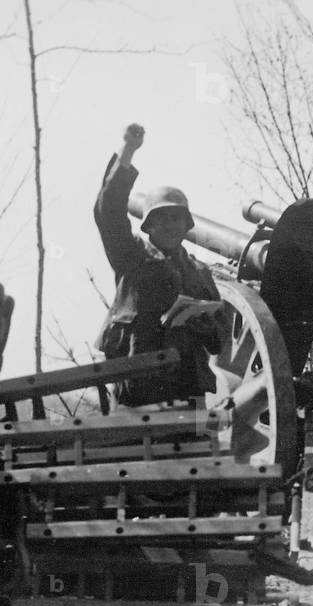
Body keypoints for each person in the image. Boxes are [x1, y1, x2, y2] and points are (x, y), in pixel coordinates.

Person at [93, 123, 223, 407]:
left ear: (186, 224)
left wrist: (205, 325)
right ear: (149, 225)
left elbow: (219, 341)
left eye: (176, 218)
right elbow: (108, 212)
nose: (170, 225)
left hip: (190, 389)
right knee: (139, 451)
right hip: (140, 386)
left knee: (196, 450)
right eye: (162, 218)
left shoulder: (200, 272)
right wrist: (128, 150)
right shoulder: (132, 256)